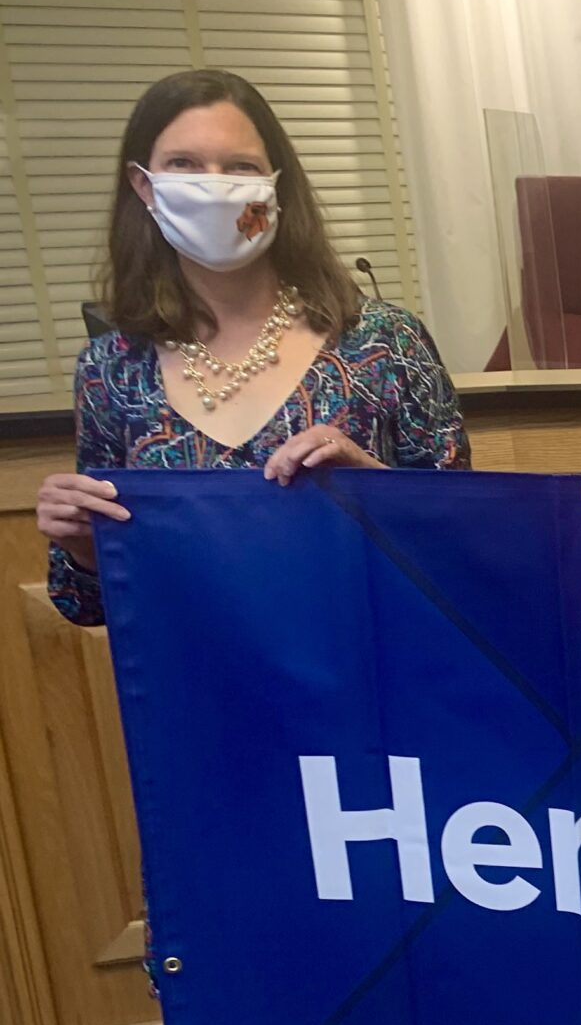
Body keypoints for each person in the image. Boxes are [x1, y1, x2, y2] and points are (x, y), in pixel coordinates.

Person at [35, 69, 467, 626]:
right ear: (144, 186)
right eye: (184, 165)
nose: (214, 185)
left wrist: (371, 487)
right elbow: (88, 604)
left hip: (376, 683)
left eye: (240, 166)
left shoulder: (386, 343)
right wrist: (82, 545)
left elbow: (464, 549)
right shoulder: (112, 369)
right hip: (204, 691)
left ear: (275, 185)